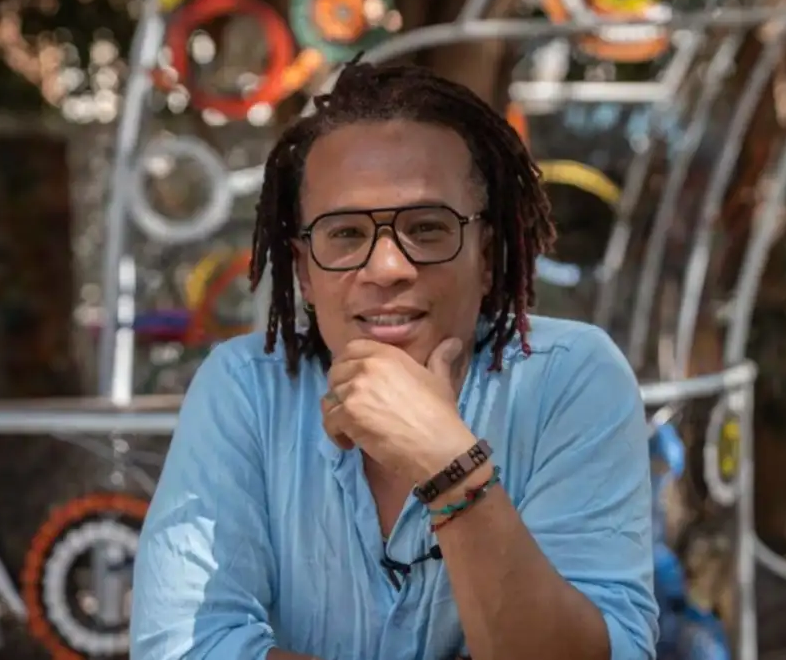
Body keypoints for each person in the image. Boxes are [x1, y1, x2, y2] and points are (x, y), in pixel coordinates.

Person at [130, 60, 658, 660]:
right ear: (304, 272)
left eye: (427, 229)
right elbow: (184, 647)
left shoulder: (571, 377)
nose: (386, 269)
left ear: (486, 258)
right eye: (345, 234)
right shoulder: (244, 389)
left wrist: (450, 466)